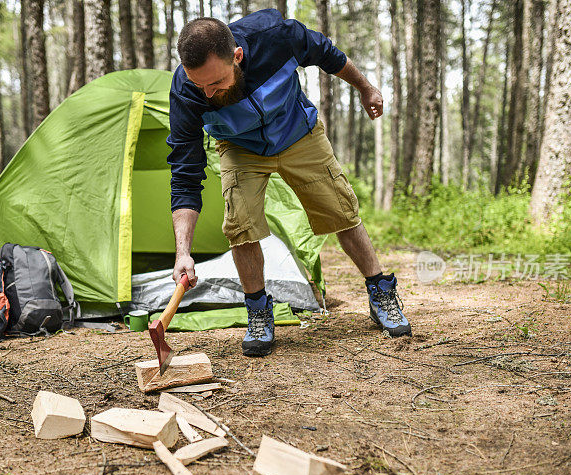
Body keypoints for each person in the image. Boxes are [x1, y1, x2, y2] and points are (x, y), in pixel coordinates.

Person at [167, 10, 411, 357]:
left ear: (237, 56)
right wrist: (183, 252)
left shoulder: (277, 35)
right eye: (199, 85)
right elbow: (185, 174)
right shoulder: (186, 92)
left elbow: (328, 54)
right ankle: (258, 312)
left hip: (298, 131)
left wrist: (366, 88)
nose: (206, 94)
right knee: (241, 224)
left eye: (216, 83)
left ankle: (380, 291)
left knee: (341, 210)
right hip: (239, 146)